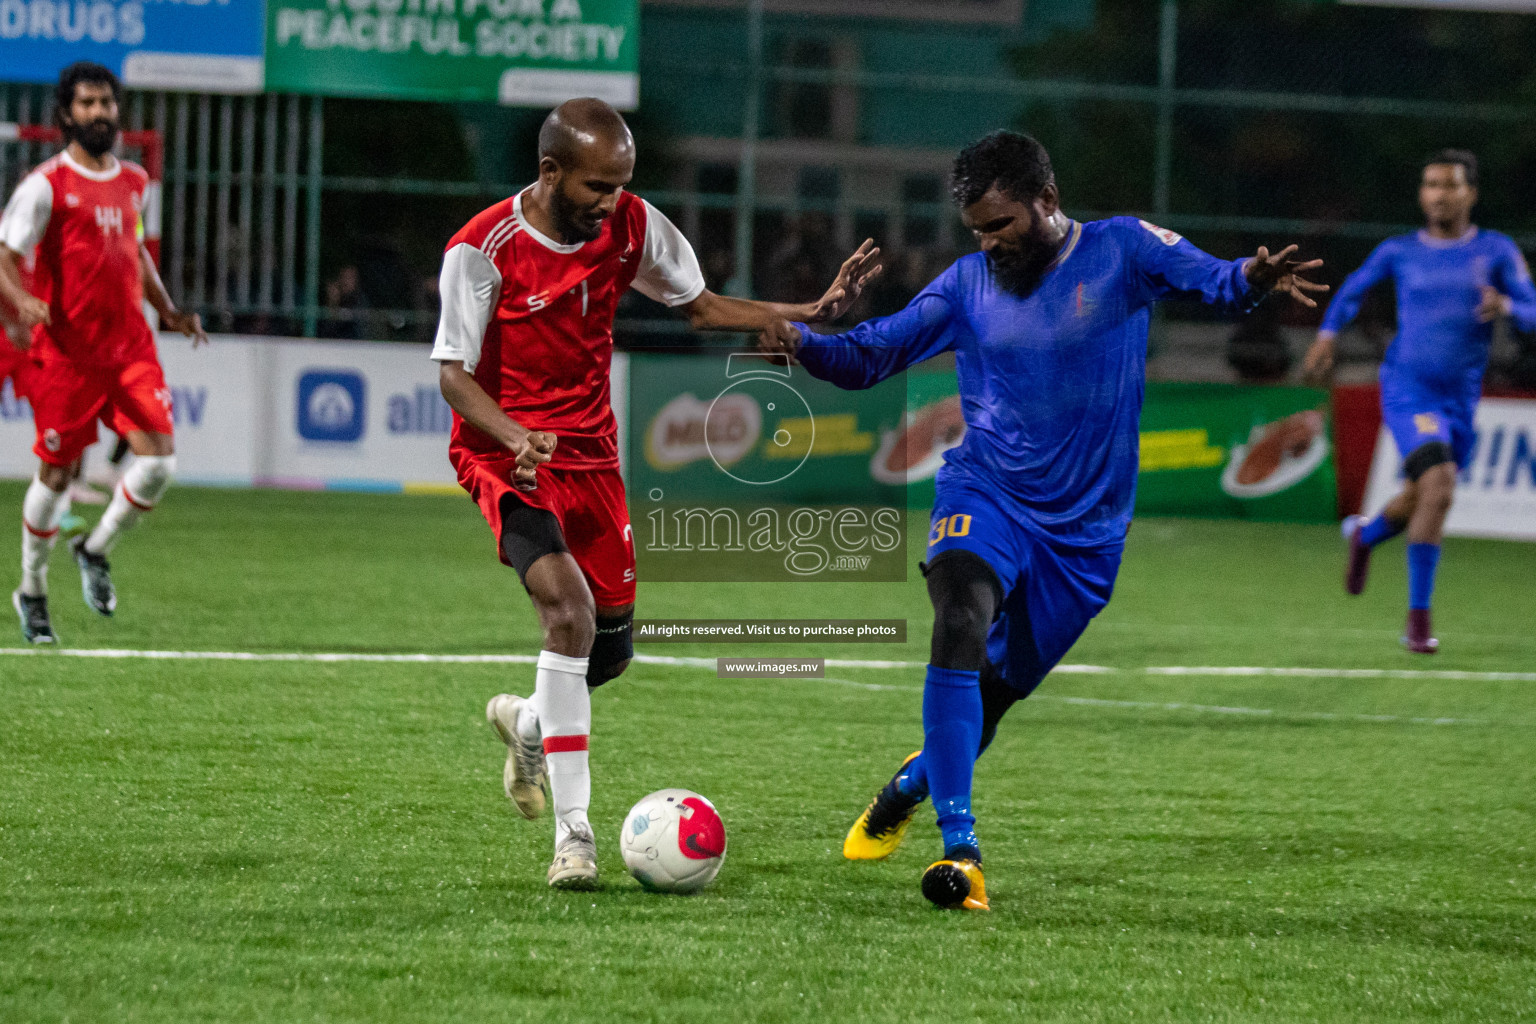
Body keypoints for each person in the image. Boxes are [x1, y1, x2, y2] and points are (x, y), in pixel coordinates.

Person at [758, 130, 1326, 911]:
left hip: (1084, 539)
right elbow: (867, 357)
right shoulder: (964, 287)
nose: (989, 243)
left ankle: (904, 788)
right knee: (958, 618)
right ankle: (963, 852)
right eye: (978, 231)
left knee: (989, 703)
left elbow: (1217, 283)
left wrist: (1254, 277)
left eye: (1001, 225)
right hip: (985, 493)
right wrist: (800, 342)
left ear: (1047, 201)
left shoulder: (1123, 251)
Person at [430, 98, 880, 890]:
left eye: (621, 185)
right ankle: (575, 838)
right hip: (508, 456)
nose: (611, 202)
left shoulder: (632, 226)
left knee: (606, 653)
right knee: (565, 611)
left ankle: (530, 722)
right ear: (551, 172)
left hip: (594, 459)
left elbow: (700, 306)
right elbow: (453, 376)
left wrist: (800, 317)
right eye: (598, 186)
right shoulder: (482, 249)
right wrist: (512, 438)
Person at [0, 61, 206, 644]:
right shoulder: (46, 185)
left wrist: (166, 311)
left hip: (130, 350)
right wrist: (22, 304)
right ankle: (32, 589)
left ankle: (93, 548)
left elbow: (136, 253)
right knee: (57, 475)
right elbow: (5, 258)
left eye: (107, 103)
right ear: (66, 114)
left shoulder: (137, 180)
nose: (99, 113)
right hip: (67, 354)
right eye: (87, 104)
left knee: (161, 462)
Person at [1304, 150, 1536, 654]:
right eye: (1431, 184)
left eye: (1450, 185)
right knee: (1440, 485)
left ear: (1470, 193)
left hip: (1461, 399)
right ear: (1422, 194)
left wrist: (1509, 305)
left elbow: (1532, 313)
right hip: (1409, 388)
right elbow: (1352, 289)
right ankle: (1417, 619)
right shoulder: (1399, 251)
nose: (1440, 194)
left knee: (1421, 497)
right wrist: (1327, 334)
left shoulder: (1496, 251)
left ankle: (1364, 537)